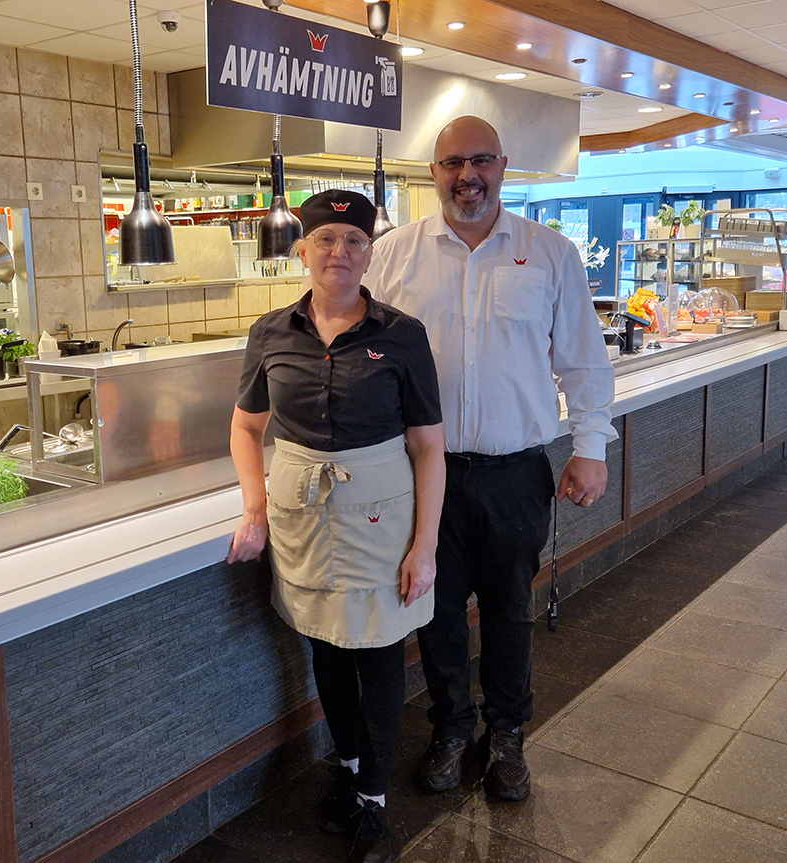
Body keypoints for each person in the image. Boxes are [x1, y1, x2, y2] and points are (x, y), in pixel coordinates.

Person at [363, 116, 617, 802]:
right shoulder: (393, 255)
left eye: (480, 161)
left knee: (509, 612)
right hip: (426, 476)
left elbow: (583, 360)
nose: (466, 175)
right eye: (452, 163)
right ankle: (451, 729)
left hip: (515, 473)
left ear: (502, 166)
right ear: (433, 171)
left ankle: (507, 734)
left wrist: (590, 448)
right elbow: (368, 361)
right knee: (436, 611)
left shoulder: (549, 252)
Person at [227, 189, 445, 863]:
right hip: (301, 514)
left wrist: (425, 546)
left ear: (369, 254)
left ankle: (374, 795)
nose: (339, 252)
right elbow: (246, 428)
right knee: (324, 643)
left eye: (354, 241)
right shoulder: (270, 333)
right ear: (303, 250)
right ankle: (349, 769)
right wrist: (254, 507)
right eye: (325, 239)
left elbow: (428, 447)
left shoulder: (402, 334)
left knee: (376, 649)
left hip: (380, 513)